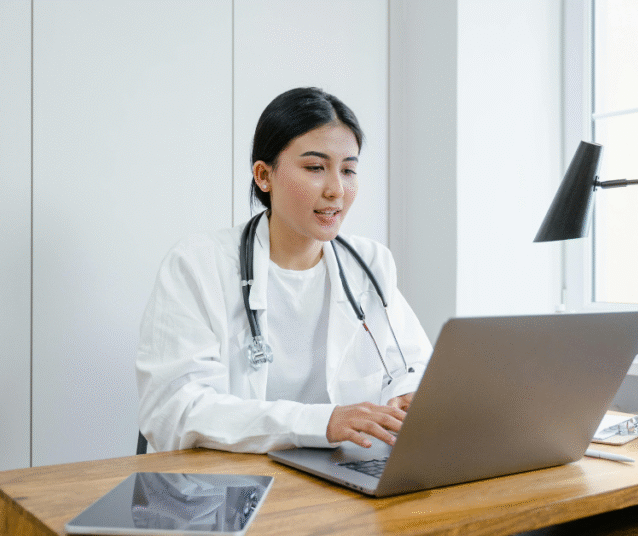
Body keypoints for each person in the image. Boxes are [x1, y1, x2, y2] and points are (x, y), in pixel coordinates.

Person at [136, 87, 432, 453]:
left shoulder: (370, 264)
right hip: (222, 489)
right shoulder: (198, 265)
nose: (337, 190)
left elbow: (410, 364)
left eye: (349, 170)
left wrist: (407, 395)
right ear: (264, 175)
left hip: (339, 476)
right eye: (315, 168)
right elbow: (174, 411)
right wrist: (320, 422)